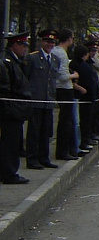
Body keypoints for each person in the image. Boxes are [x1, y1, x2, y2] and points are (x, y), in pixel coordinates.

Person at [0, 32, 35, 184]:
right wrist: (11, 108)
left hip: (16, 109)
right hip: (11, 110)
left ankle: (9, 171)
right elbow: (6, 88)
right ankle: (9, 172)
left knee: (13, 142)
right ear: (15, 45)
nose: (25, 49)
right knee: (10, 142)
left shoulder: (16, 62)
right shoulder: (7, 62)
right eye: (23, 46)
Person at [25, 30, 59, 169]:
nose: (49, 44)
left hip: (48, 100)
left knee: (46, 131)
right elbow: (26, 78)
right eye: (47, 41)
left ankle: (44, 158)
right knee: (34, 132)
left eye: (52, 42)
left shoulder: (55, 59)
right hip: (36, 100)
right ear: (41, 42)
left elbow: (52, 80)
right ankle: (32, 159)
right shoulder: (32, 58)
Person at [52, 29, 81, 161]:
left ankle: (65, 150)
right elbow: (62, 75)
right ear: (69, 39)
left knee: (66, 121)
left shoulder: (56, 51)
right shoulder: (61, 54)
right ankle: (63, 151)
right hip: (64, 89)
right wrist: (74, 75)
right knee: (66, 121)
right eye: (72, 38)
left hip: (59, 88)